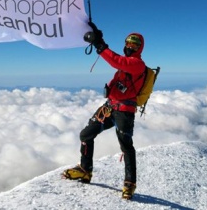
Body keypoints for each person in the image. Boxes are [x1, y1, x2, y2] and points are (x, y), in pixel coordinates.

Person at [62, 21, 146, 200]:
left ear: (140, 48)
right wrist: (99, 39)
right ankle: (85, 170)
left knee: (126, 146)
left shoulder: (137, 64)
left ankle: (129, 184)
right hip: (110, 106)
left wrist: (100, 45)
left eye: (135, 44)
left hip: (124, 111)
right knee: (86, 135)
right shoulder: (127, 65)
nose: (130, 46)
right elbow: (118, 67)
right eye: (128, 43)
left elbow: (117, 61)